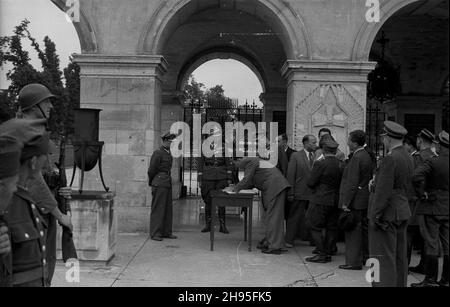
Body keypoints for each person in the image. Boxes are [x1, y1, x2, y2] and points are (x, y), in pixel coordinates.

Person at [17, 83, 73, 286]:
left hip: (42, 212)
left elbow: (45, 176)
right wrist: (60, 215)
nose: (50, 106)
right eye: (46, 101)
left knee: (45, 267)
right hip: (28, 215)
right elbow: (34, 182)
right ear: (34, 106)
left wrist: (60, 189)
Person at [0, 118, 53, 287]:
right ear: (33, 161)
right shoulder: (7, 203)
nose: (47, 162)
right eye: (45, 156)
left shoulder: (25, 198)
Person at [368, 121, 413, 287]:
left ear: (387, 138)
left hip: (386, 214)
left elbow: (383, 191)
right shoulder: (408, 156)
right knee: (399, 256)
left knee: (379, 257)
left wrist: (375, 215)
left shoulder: (390, 158)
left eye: (383, 137)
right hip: (401, 210)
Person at [411, 131, 449, 288]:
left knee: (432, 243)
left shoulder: (433, 162)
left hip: (432, 206)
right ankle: (446, 279)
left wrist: (423, 193)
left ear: (439, 145)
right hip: (448, 207)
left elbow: (415, 176)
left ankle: (431, 279)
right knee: (448, 244)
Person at [232, 154, 290, 255]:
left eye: (235, 164)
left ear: (240, 159)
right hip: (276, 186)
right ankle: (274, 243)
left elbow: (246, 180)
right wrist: (239, 186)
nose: (237, 167)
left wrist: (234, 189)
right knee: (275, 217)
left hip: (274, 187)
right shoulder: (255, 161)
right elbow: (251, 182)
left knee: (273, 218)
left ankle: (274, 246)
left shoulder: (251, 161)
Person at [338, 130, 374, 270]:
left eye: (349, 140)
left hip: (355, 201)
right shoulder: (365, 155)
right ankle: (361, 258)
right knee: (361, 231)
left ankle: (353, 261)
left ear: (354, 142)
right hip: (362, 199)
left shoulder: (357, 157)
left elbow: (352, 183)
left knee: (353, 234)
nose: (347, 142)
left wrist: (346, 203)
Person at [305, 138, 344, 263]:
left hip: (320, 199)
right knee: (331, 227)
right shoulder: (341, 164)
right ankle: (328, 251)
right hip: (335, 200)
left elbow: (311, 182)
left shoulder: (320, 163)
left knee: (314, 226)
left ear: (324, 150)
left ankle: (321, 253)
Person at [407, 129, 437, 274]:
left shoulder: (418, 157)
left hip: (416, 201)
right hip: (431, 202)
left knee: (408, 234)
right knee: (427, 236)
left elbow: (414, 178)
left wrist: (420, 193)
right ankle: (424, 265)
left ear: (419, 141)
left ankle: (403, 266)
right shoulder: (434, 156)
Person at [198, 128, 234, 234]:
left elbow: (228, 161)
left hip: (221, 176)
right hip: (208, 175)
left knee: (221, 201)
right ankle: (208, 225)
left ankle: (222, 225)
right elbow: (200, 162)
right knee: (208, 201)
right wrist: (200, 178)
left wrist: (229, 177)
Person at [285, 135, 317, 248]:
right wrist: (291, 192)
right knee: (294, 217)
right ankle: (289, 239)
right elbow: (290, 174)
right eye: (313, 142)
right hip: (299, 192)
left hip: (313, 194)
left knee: (312, 218)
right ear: (306, 143)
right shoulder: (296, 156)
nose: (315, 145)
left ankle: (313, 240)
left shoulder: (317, 156)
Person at [148, 133, 178, 241]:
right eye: (170, 142)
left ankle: (166, 232)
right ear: (165, 141)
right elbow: (151, 170)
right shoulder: (158, 153)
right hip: (159, 183)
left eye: (172, 142)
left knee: (167, 208)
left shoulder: (168, 153)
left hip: (166, 183)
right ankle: (155, 233)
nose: (171, 143)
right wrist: (153, 182)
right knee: (158, 209)